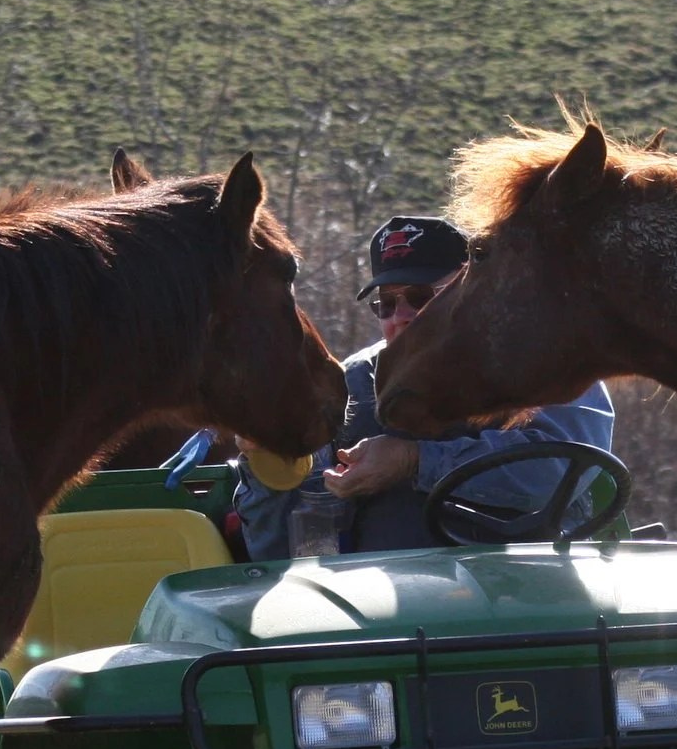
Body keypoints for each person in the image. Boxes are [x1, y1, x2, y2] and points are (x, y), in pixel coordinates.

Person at [232, 214, 614, 556]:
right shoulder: (352, 384)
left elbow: (556, 470)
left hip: (539, 598)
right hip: (389, 622)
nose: (401, 316)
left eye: (419, 297)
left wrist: (413, 460)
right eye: (385, 304)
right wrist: (270, 466)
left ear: (473, 292)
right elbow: (290, 549)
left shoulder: (548, 367)